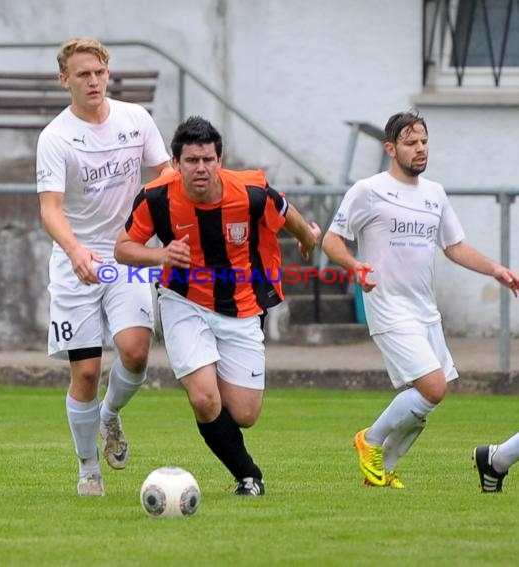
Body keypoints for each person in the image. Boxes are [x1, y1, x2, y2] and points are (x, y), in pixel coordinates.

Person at [115, 116, 320, 496]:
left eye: (208, 159)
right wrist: (159, 255)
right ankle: (249, 476)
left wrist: (308, 237)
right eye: (191, 160)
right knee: (205, 399)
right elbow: (122, 248)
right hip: (183, 301)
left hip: (241, 305)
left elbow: (283, 208)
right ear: (176, 163)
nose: (201, 168)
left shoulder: (249, 192)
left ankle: (233, 448)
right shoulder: (156, 197)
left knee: (244, 413)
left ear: (220, 159)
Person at [322, 110, 519, 489]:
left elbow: (454, 247)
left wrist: (495, 269)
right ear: (391, 149)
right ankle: (370, 440)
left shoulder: (435, 194)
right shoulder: (369, 189)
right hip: (388, 306)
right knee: (433, 387)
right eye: (411, 143)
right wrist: (354, 265)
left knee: (428, 396)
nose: (421, 149)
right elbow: (331, 240)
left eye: (424, 141)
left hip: (424, 310)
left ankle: (382, 471)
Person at [36, 37, 173, 496]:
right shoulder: (55, 137)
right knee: (88, 373)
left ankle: (110, 416)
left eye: (99, 72)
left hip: (126, 253)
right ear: (65, 80)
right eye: (82, 75)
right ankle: (87, 469)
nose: (92, 81)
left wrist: (160, 238)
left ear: (107, 73)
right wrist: (75, 251)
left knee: (135, 354)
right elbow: (50, 209)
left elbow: (165, 177)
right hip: (76, 259)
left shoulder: (135, 119)